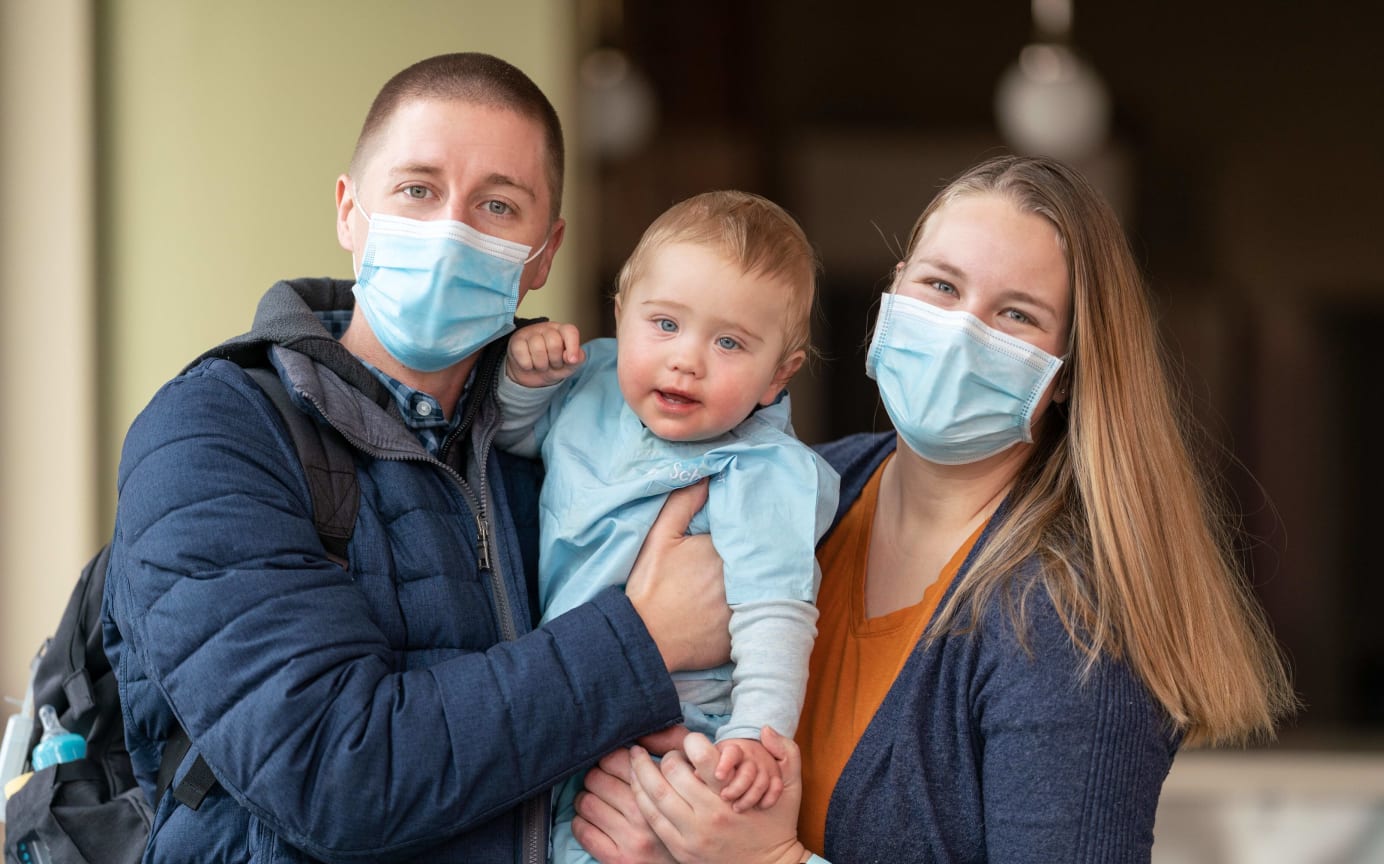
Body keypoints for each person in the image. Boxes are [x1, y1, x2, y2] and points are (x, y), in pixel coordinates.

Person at [569, 155, 1299, 864]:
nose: (961, 332)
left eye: (1016, 315)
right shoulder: (816, 487)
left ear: (1069, 371)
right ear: (895, 294)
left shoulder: (1072, 630)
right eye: (941, 287)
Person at [99, 52, 732, 863]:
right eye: (417, 190)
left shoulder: (571, 435)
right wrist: (640, 638)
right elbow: (332, 773)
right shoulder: (211, 435)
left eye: (498, 205)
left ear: (543, 255)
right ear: (349, 211)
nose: (451, 230)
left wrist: (653, 817)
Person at [494, 191, 840, 861]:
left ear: (780, 376)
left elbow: (776, 615)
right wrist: (523, 379)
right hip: (569, 702)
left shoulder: (763, 470)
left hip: (679, 735)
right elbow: (511, 438)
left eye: (731, 342)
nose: (688, 359)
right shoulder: (589, 383)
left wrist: (754, 735)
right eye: (665, 324)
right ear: (621, 316)